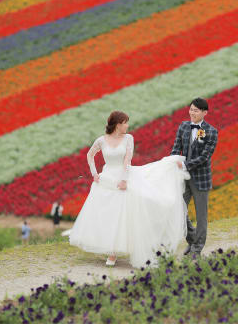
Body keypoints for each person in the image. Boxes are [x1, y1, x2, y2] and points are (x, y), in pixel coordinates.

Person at [65, 111, 188, 268]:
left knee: (123, 213)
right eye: (125, 123)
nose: (127, 126)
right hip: (106, 179)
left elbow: (127, 159)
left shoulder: (128, 138)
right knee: (107, 215)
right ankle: (110, 249)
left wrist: (123, 180)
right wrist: (94, 174)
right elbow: (90, 155)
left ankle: (114, 252)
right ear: (118, 124)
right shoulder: (102, 140)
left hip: (124, 177)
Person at [171, 98, 218, 257]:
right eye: (191, 109)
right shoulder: (183, 126)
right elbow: (176, 148)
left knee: (201, 215)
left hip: (201, 179)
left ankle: (197, 249)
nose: (192, 113)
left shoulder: (211, 131)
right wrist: (172, 162)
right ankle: (191, 239)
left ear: (205, 113)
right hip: (183, 178)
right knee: (178, 210)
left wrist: (184, 165)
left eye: (196, 110)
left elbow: (205, 156)